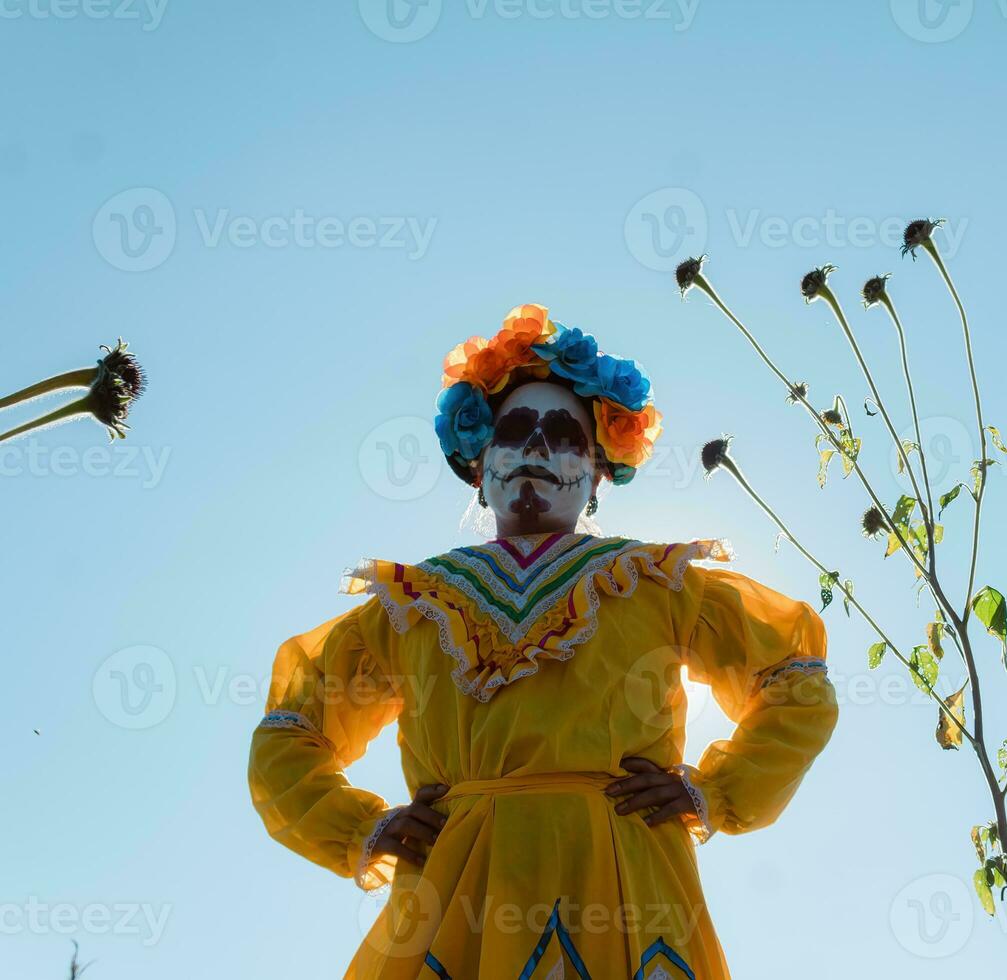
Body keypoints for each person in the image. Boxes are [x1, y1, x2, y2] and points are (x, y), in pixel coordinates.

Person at [247, 303, 838, 979]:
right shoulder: (412, 605)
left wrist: (719, 790)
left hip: (623, 883)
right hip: (455, 895)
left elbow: (796, 679)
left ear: (598, 473)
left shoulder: (656, 582)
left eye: (563, 435)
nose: (534, 449)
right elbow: (288, 731)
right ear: (478, 461)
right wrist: (361, 829)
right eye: (515, 430)